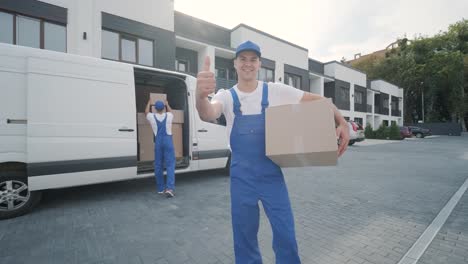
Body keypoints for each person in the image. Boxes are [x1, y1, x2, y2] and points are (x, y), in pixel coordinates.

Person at [196, 40, 349, 263]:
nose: (248, 64)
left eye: (253, 59)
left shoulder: (275, 91)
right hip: (241, 178)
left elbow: (320, 100)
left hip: (271, 175)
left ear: (259, 64)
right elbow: (208, 113)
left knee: (285, 233)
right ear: (235, 64)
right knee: (244, 236)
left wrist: (342, 121)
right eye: (243, 59)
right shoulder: (226, 96)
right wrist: (201, 96)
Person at [145, 99, 176, 198]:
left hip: (158, 142)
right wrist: (167, 104)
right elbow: (171, 111)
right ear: (164, 108)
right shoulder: (169, 116)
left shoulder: (152, 117)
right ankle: (169, 189)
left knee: (158, 165)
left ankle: (160, 188)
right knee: (170, 165)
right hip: (168, 142)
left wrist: (149, 102)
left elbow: (146, 112)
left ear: (155, 108)